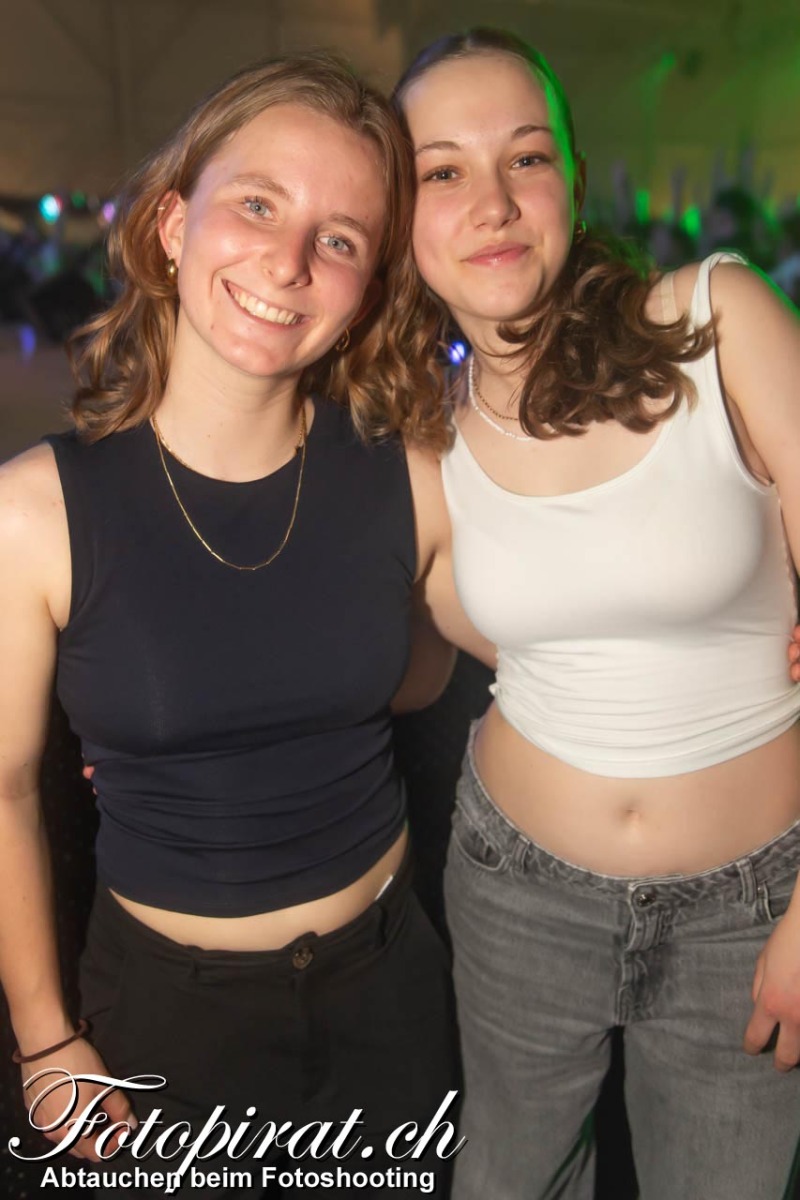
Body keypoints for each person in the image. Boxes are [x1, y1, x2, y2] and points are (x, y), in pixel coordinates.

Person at [0, 52, 490, 1198]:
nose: (288, 261)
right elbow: (6, 790)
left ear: (367, 285)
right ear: (172, 225)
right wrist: (44, 1037)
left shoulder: (410, 477)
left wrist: (742, 635)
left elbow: (503, 652)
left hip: (390, 1004)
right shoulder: (35, 513)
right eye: (258, 205)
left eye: (340, 237)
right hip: (159, 1033)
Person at [393, 28, 800, 1200]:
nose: (491, 202)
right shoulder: (424, 437)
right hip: (514, 890)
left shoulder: (715, 320)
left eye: (524, 157)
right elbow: (445, 651)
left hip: (752, 909)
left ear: (572, 179)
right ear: (401, 216)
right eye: (442, 171)